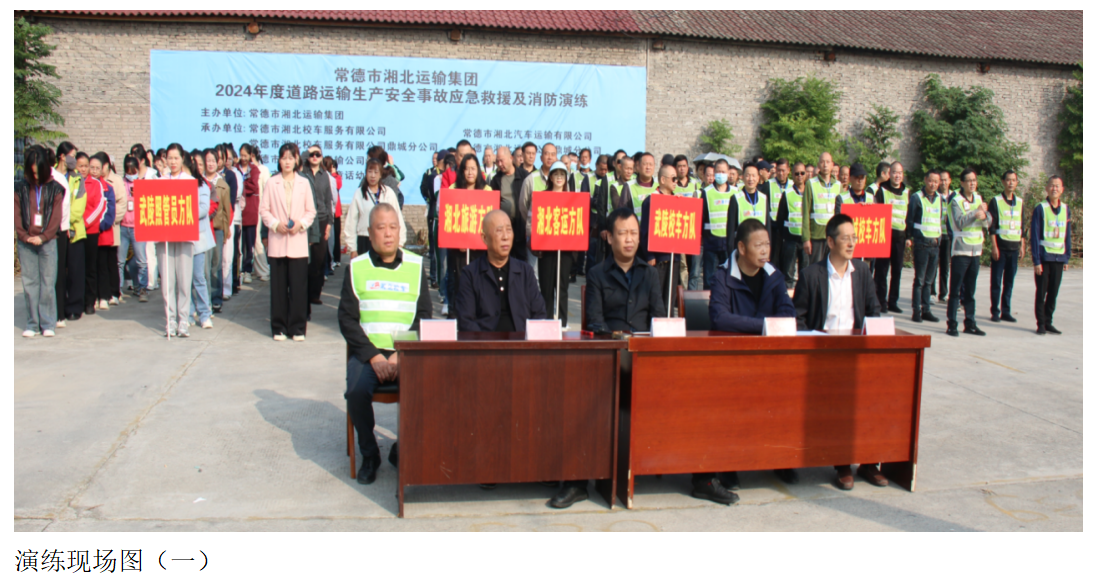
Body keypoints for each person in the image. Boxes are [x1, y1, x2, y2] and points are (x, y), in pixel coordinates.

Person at [793, 213, 886, 488]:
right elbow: (799, 319)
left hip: (858, 352)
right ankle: (843, 463)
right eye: (846, 238)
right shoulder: (812, 275)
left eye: (854, 238)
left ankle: (870, 462)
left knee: (874, 401)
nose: (851, 243)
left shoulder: (863, 272)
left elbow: (873, 311)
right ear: (830, 241)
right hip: (824, 355)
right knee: (840, 406)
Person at [340, 202, 430, 484]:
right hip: (369, 355)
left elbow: (423, 318)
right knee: (355, 392)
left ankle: (401, 449)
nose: (388, 234)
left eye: (393, 227)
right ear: (369, 232)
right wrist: (374, 357)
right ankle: (370, 454)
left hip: (405, 354)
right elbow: (347, 320)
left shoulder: (416, 267)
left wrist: (399, 356)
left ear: (400, 230)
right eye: (381, 228)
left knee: (433, 390)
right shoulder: (356, 268)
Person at [260, 143, 317, 341]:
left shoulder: (304, 182)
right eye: (283, 158)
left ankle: (298, 327)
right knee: (278, 289)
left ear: (296, 161)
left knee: (298, 287)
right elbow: (264, 210)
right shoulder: (271, 182)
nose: (287, 162)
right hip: (277, 242)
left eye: (290, 158)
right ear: (279, 160)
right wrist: (275, 225)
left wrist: (301, 224)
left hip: (298, 242)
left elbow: (311, 211)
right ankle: (279, 327)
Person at [457, 208, 546, 333]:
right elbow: (465, 321)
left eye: (509, 230)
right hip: (485, 348)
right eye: (499, 230)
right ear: (484, 238)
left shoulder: (526, 272)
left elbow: (539, 314)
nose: (505, 236)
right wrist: (487, 345)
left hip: (521, 346)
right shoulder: (470, 274)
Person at [585, 207, 665, 333]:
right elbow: (595, 320)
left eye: (634, 233)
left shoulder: (650, 273)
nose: (629, 239)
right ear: (610, 238)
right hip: (611, 346)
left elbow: (659, 318)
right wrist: (618, 342)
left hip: (642, 346)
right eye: (623, 233)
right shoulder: (596, 274)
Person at [709, 218, 795, 333]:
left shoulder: (774, 275)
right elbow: (719, 318)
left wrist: (766, 327)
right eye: (759, 245)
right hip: (734, 345)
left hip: (768, 345)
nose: (765, 251)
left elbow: (788, 313)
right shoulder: (722, 278)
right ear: (742, 248)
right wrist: (764, 326)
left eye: (767, 244)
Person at [16, 145, 66, 338]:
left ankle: (47, 323)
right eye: (32, 172)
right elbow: (16, 215)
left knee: (47, 283)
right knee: (30, 283)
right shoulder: (19, 188)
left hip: (48, 241)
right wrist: (24, 236)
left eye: (39, 171)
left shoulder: (56, 189)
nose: (35, 175)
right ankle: (32, 323)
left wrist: (43, 236)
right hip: (26, 241)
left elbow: (56, 218)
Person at [156, 144, 200, 337]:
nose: (173, 162)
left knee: (184, 279)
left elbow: (194, 209)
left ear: (182, 159)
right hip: (164, 236)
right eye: (170, 158)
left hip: (184, 235)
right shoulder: (159, 181)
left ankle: (183, 320)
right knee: (167, 281)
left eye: (176, 158)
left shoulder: (190, 181)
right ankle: (170, 320)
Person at [945, 168, 991, 337]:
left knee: (970, 291)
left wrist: (984, 215)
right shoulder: (955, 200)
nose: (972, 183)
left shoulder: (978, 198)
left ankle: (970, 323)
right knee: (956, 290)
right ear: (962, 183)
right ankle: (952, 324)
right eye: (969, 180)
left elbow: (988, 220)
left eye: (974, 180)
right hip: (961, 251)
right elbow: (959, 223)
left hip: (976, 251)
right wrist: (975, 213)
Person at [533, 161, 577, 328]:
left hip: (565, 249)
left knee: (562, 287)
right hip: (546, 249)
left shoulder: (572, 198)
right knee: (546, 286)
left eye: (562, 175)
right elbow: (535, 220)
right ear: (550, 177)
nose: (559, 178)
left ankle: (562, 321)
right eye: (556, 174)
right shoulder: (542, 196)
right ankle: (546, 321)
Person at [638, 165, 682, 312]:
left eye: (677, 178)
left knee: (670, 297)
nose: (676, 181)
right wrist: (649, 255)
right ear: (662, 180)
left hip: (674, 257)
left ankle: (668, 329)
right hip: (657, 259)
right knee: (656, 298)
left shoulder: (677, 200)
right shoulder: (651, 201)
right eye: (673, 178)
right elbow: (644, 231)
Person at [1031, 176, 1071, 335]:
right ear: (1047, 188)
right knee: (1041, 292)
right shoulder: (1040, 208)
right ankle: (1040, 323)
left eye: (1058, 186)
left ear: (1062, 189)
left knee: (1053, 292)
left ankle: (1049, 321)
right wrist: (1036, 260)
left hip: (1059, 258)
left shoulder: (1066, 209)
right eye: (1052, 186)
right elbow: (1034, 236)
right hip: (1044, 257)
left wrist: (1066, 256)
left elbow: (1067, 234)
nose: (1055, 189)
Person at [346, 157, 406, 259]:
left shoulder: (388, 193)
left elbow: (398, 218)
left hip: (384, 240)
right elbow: (352, 221)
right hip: (364, 240)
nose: (372, 175)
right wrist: (353, 248)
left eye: (376, 172)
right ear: (365, 173)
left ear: (380, 174)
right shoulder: (359, 193)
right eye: (370, 172)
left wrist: (400, 243)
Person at [905, 170, 944, 323]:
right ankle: (916, 311)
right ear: (925, 180)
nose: (933, 184)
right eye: (931, 181)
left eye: (936, 181)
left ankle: (926, 309)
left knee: (929, 280)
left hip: (935, 244)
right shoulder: (917, 197)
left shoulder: (940, 198)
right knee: (920, 280)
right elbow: (910, 219)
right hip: (921, 243)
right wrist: (909, 237)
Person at [55, 143, 87, 321]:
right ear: (62, 156)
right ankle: (59, 307)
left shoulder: (78, 179)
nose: (74, 160)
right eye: (72, 156)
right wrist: (59, 224)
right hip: (56, 230)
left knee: (75, 270)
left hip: (74, 230)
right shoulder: (51, 176)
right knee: (59, 272)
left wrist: (67, 223)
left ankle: (74, 307)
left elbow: (79, 205)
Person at [872, 162, 910, 313]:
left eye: (900, 173)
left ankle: (893, 301)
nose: (897, 175)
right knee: (881, 271)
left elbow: (909, 216)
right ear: (889, 173)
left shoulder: (907, 192)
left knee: (897, 271)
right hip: (884, 236)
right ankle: (881, 301)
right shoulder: (882, 191)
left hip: (900, 237)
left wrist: (909, 236)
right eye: (894, 172)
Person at [302, 144, 335, 310]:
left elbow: (329, 200)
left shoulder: (325, 176)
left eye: (318, 154)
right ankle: (305, 292)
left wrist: (329, 223)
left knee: (319, 258)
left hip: (321, 219)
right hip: (306, 220)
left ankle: (316, 293)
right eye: (312, 154)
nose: (314, 157)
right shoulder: (302, 173)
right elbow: (299, 159)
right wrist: (306, 153)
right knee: (306, 257)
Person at [989, 170, 1022, 322]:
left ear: (1017, 182)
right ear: (1003, 182)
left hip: (1014, 248)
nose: (1010, 183)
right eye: (1008, 180)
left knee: (1009, 282)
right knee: (996, 281)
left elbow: (1022, 225)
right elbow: (992, 226)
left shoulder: (1020, 202)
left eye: (1013, 180)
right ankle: (995, 311)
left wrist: (1022, 244)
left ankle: (1006, 311)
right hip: (1000, 248)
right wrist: (994, 247)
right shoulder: (996, 201)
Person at [88, 153, 119, 311]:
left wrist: (98, 226)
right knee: (90, 267)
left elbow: (110, 212)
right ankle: (91, 297)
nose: (93, 171)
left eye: (97, 168)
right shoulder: (83, 186)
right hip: (87, 233)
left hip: (102, 232)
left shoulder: (108, 188)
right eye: (91, 167)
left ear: (102, 170)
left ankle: (104, 297)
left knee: (103, 266)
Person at [700, 159, 735, 290]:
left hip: (729, 244)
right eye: (718, 171)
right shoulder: (706, 192)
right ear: (714, 173)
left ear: (728, 172)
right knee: (709, 280)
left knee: (729, 279)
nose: (721, 174)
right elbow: (701, 217)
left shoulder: (736, 193)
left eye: (723, 171)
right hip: (711, 243)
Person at [118, 155, 149, 304]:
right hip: (123, 227)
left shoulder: (142, 183)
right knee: (120, 261)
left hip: (138, 227)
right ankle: (118, 289)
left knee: (141, 261)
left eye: (133, 170)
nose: (131, 173)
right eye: (128, 171)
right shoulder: (121, 183)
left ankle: (142, 288)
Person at [801, 152, 841, 265]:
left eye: (828, 162)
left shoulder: (838, 185)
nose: (825, 165)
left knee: (833, 267)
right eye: (822, 162)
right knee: (816, 268)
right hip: (816, 236)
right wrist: (806, 239)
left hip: (833, 235)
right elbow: (805, 213)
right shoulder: (811, 184)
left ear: (832, 165)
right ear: (818, 165)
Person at [833, 162, 875, 268]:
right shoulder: (841, 198)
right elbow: (838, 222)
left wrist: (870, 209)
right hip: (849, 246)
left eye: (862, 178)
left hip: (867, 247)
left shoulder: (871, 198)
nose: (860, 181)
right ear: (850, 178)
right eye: (857, 177)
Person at [206, 149, 232, 313]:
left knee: (216, 265)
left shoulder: (223, 184)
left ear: (218, 163)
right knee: (203, 266)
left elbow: (226, 210)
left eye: (213, 161)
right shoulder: (198, 182)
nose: (210, 164)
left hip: (216, 228)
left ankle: (216, 298)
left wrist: (226, 228)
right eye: (207, 161)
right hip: (202, 228)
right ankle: (204, 299)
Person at [489, 145, 525, 262]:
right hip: (504, 229)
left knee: (521, 263)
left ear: (511, 158)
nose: (499, 164)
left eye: (502, 160)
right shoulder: (496, 180)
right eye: (497, 161)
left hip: (521, 228)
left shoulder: (524, 176)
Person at [724, 163, 769, 255]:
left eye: (753, 176)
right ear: (742, 177)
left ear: (758, 178)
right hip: (743, 247)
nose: (751, 179)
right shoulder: (736, 198)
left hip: (760, 247)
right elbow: (731, 227)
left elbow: (768, 226)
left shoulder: (764, 198)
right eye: (748, 175)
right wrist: (731, 250)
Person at [422, 149, 448, 288]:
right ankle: (434, 277)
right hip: (434, 215)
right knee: (434, 250)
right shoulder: (433, 176)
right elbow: (429, 192)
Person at [935, 169, 957, 303]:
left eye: (945, 179)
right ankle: (931, 293)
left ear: (950, 181)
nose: (943, 182)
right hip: (936, 235)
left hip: (948, 235)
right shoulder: (934, 196)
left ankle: (943, 293)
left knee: (945, 266)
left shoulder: (954, 197)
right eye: (941, 180)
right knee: (932, 266)